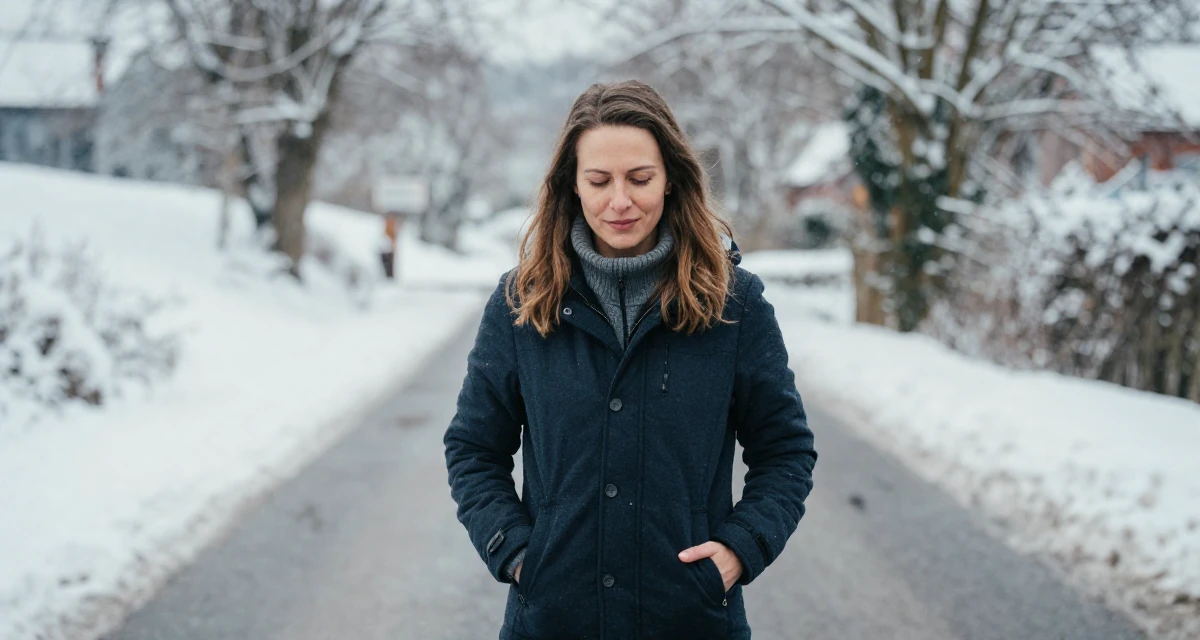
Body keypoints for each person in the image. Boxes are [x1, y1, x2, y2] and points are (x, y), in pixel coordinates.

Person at [444, 80, 817, 640]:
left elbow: (786, 451)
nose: (620, 201)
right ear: (572, 186)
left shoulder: (734, 305)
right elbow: (473, 448)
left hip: (692, 620)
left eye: (639, 179)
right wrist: (519, 554)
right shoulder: (520, 304)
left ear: (670, 179)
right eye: (599, 181)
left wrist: (740, 551)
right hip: (552, 621)